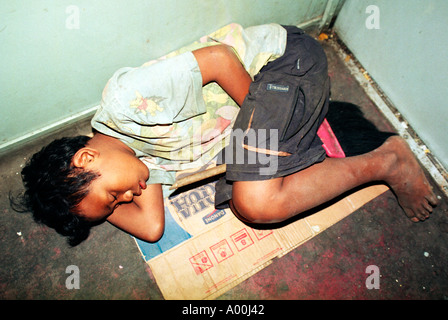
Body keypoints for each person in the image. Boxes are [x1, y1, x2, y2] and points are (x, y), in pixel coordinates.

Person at [17, 23, 438, 246]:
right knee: (250, 190)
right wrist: (93, 208)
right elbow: (150, 228)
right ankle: (291, 153)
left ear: (86, 158)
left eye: (114, 196)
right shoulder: (137, 165)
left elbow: (219, 58)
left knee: (253, 199)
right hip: (272, 106)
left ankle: (388, 160)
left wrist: (270, 140)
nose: (128, 198)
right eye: (117, 205)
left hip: (282, 66)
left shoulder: (128, 102)